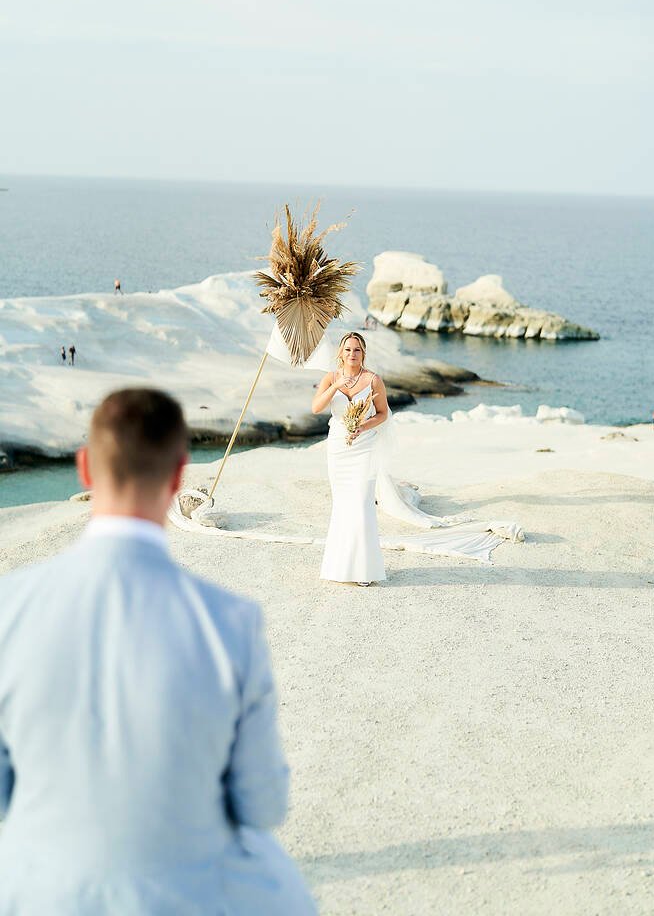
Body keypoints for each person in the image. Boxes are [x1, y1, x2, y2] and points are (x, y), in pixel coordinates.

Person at [0, 388, 316, 915]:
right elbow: (262, 806)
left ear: (84, 469)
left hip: (39, 894)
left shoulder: (8, 605)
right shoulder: (231, 622)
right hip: (186, 896)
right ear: (177, 477)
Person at [312, 331, 388, 586]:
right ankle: (341, 568)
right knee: (343, 505)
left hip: (364, 448)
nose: (352, 354)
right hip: (338, 449)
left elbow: (382, 414)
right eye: (347, 349)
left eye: (356, 350)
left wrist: (363, 427)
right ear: (340, 353)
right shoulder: (330, 377)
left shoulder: (373, 380)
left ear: (363, 353)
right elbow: (316, 407)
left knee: (362, 504)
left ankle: (364, 571)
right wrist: (335, 385)